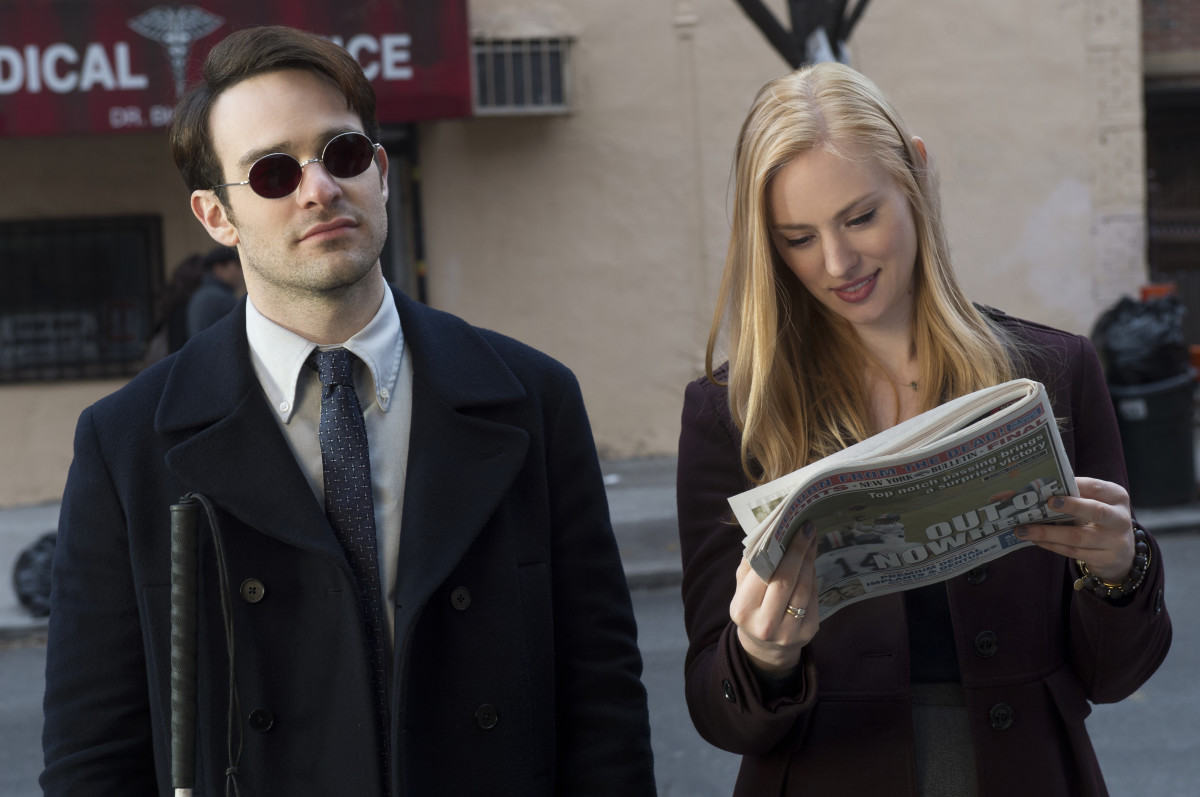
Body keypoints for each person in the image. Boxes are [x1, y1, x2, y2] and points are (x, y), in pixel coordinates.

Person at [42, 25, 655, 796]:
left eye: (343, 154)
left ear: (382, 171)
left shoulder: (533, 398)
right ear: (215, 217)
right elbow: (91, 754)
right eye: (272, 172)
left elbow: (603, 702)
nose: (319, 188)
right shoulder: (125, 442)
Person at [676, 62, 1171, 797]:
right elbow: (721, 713)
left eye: (859, 217)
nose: (838, 263)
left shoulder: (1054, 373)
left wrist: (1119, 569)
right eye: (797, 238)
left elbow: (1113, 674)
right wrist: (759, 653)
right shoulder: (733, 412)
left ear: (916, 175)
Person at [186, 243, 245, 337]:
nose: (241, 273)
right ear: (219, 269)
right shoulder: (220, 298)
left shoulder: (200, 294)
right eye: (237, 266)